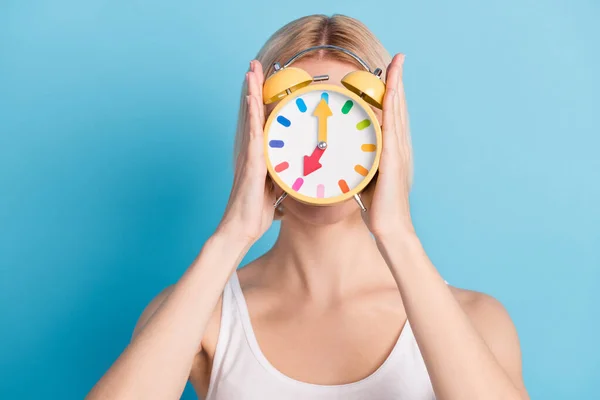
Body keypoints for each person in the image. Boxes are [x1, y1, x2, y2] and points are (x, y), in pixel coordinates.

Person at [86, 14, 529, 400]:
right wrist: (230, 239)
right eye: (296, 120)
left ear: (385, 137)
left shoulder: (476, 320)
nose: (325, 146)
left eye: (349, 124)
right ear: (259, 138)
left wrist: (398, 236)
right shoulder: (202, 316)